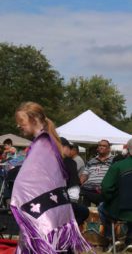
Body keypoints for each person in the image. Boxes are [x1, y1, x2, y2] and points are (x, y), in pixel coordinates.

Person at [11, 101, 90, 253]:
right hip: (53, 210)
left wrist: (18, 197)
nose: (19, 126)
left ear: (33, 119)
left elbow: (27, 181)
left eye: (21, 122)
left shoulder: (43, 145)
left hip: (45, 216)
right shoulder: (47, 143)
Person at [60, 137, 89, 226]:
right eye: (69, 148)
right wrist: (72, 202)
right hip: (62, 201)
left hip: (45, 201)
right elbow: (73, 185)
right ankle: (69, 230)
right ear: (63, 147)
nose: (70, 150)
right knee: (84, 211)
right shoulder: (69, 162)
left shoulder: (46, 160)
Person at [80, 139, 114, 206]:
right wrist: (80, 183)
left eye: (104, 146)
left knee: (101, 213)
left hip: (104, 191)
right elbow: (84, 174)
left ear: (109, 149)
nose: (101, 147)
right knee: (85, 211)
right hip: (89, 189)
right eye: (100, 145)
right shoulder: (91, 161)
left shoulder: (114, 160)